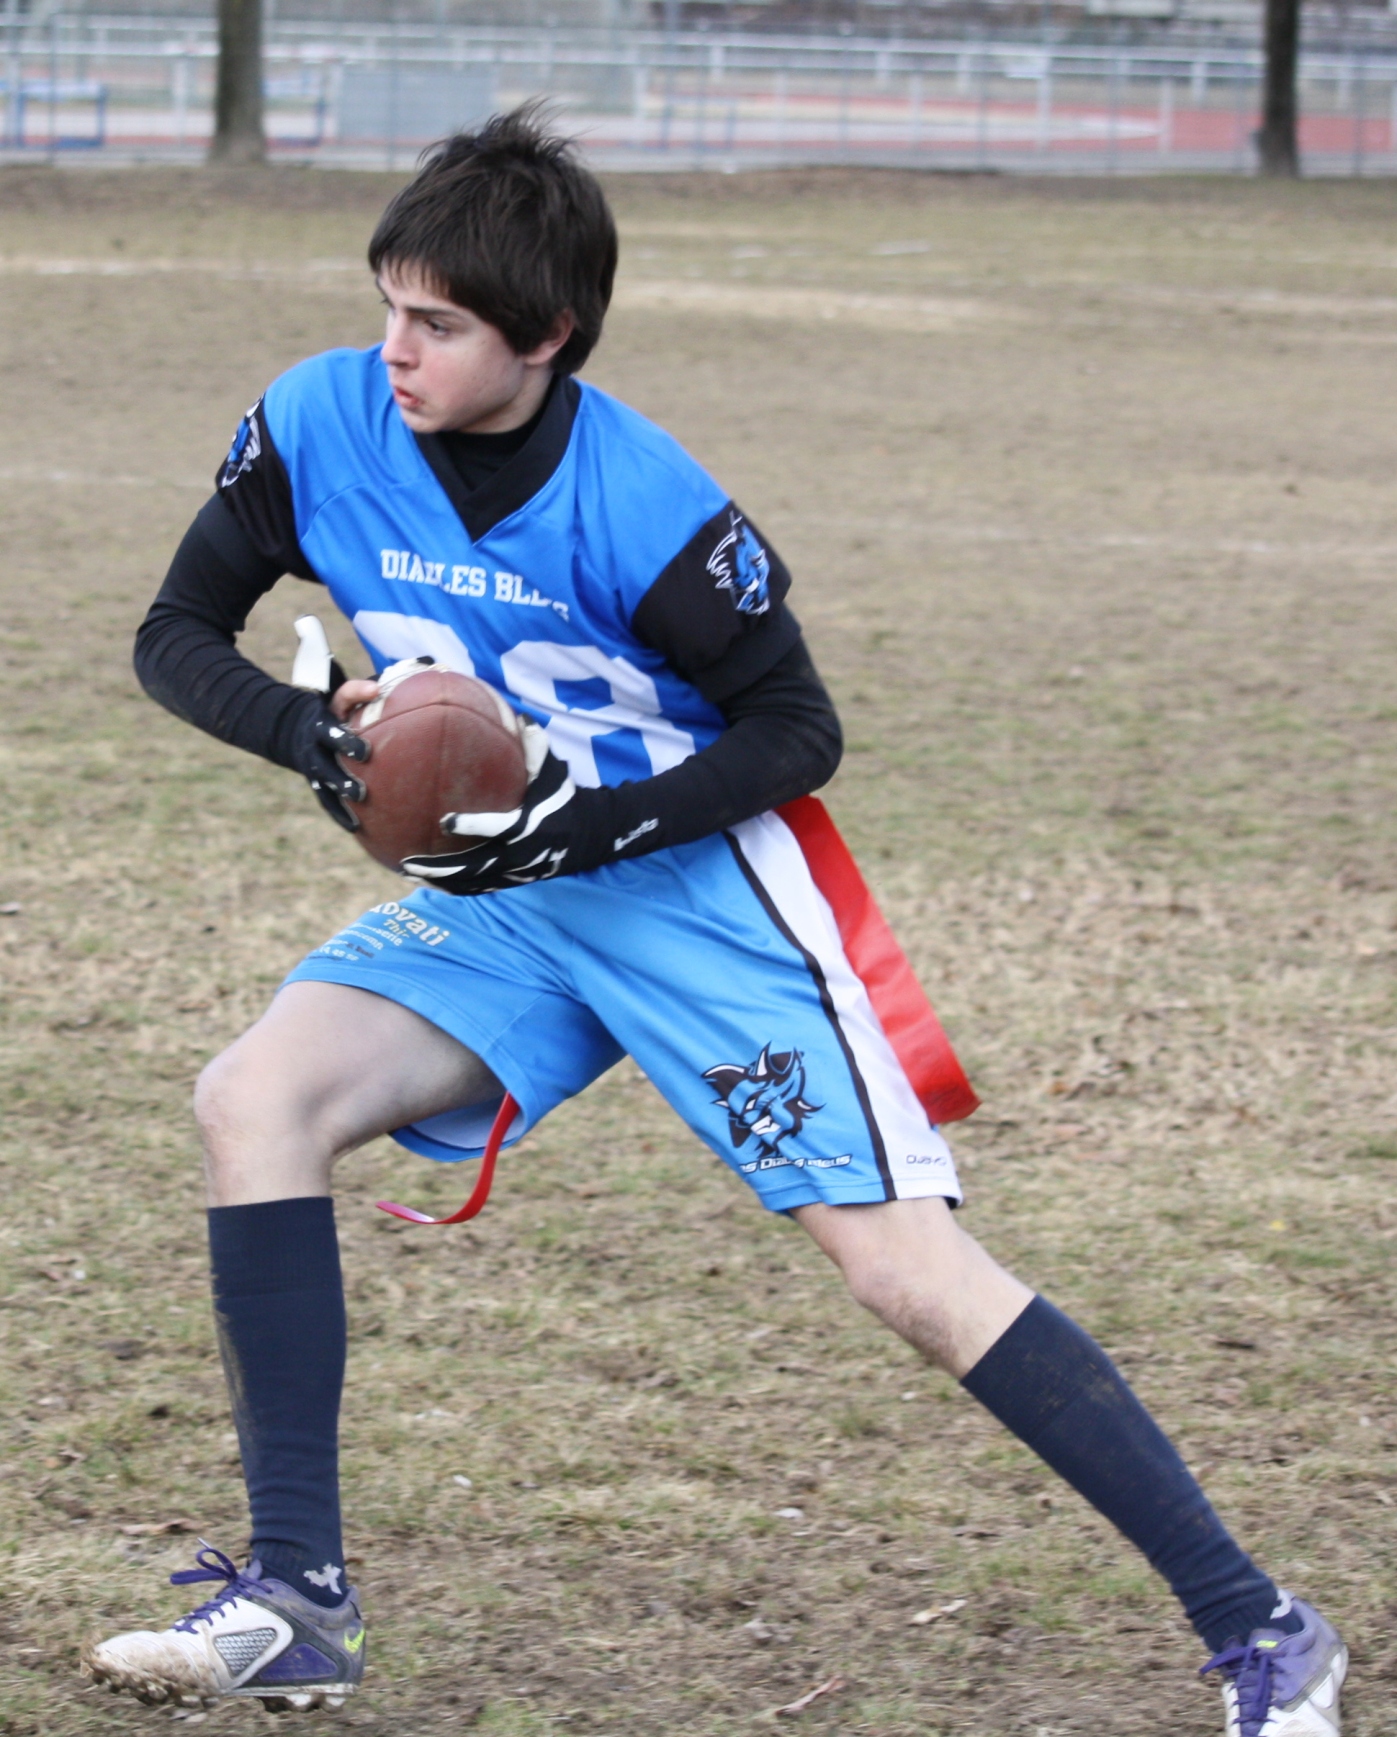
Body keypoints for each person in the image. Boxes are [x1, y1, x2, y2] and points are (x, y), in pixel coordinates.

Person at [83, 110, 1346, 1737]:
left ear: (545, 337)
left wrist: (593, 819)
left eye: (440, 324)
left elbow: (794, 728)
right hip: (510, 904)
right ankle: (296, 1599)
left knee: (904, 1271)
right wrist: (312, 737)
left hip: (693, 899)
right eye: (387, 306)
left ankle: (1260, 1627)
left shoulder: (648, 502)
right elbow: (176, 629)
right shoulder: (318, 417)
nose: (392, 349)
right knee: (252, 1098)